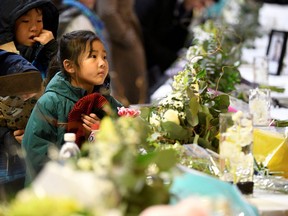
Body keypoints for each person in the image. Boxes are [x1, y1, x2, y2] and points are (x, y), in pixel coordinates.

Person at [22, 30, 123, 185]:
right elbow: (36, 155)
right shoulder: (51, 102)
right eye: (93, 56)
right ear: (69, 66)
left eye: (104, 56)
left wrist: (104, 133)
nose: (102, 63)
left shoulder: (105, 101)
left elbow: (129, 129)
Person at [134, 0, 219, 94]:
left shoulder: (186, 12)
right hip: (135, 54)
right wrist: (167, 57)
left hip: (152, 63)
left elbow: (176, 43)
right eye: (201, 2)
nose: (200, 8)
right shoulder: (161, 3)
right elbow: (140, 31)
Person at [96, 0, 148, 106]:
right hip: (119, 46)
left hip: (125, 41)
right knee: (129, 97)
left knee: (137, 93)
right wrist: (125, 36)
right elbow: (107, 12)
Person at [0, 0, 59, 79]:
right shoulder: (3, 61)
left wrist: (53, 52)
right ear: (9, 26)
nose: (34, 28)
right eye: (25, 21)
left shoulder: (44, 53)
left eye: (39, 20)